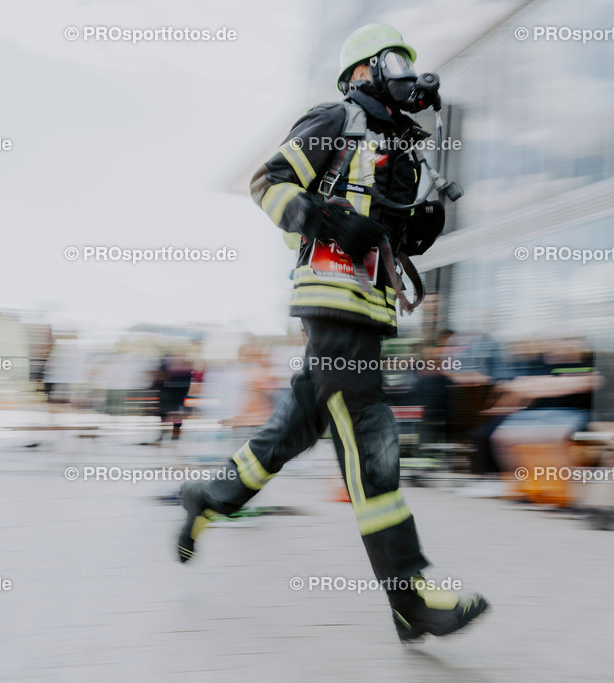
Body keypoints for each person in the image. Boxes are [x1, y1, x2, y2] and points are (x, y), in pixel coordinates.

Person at [174, 23, 487, 642]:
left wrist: (422, 219)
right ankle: (411, 595)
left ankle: (207, 498)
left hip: (369, 312)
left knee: (293, 428)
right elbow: (267, 184)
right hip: (331, 305)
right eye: (394, 59)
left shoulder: (403, 148)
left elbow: (400, 234)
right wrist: (333, 222)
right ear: (362, 72)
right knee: (372, 433)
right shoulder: (334, 120)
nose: (405, 72)